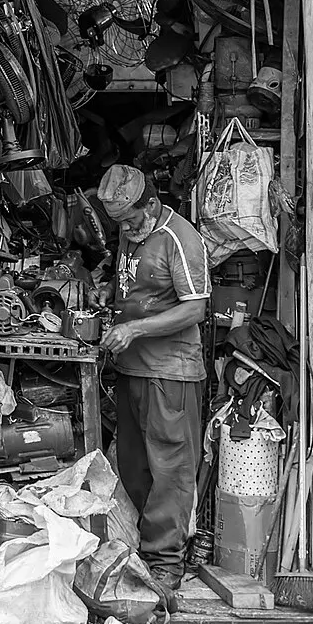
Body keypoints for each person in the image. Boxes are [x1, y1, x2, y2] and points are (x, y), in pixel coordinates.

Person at [95, 164, 211, 591]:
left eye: (131, 220)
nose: (126, 230)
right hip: (133, 368)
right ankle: (150, 550)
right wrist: (110, 293)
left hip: (171, 372)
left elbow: (195, 308)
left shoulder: (180, 238)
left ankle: (166, 564)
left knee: (170, 470)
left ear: (151, 204)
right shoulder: (131, 232)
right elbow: (132, 284)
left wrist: (135, 329)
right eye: (120, 224)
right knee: (133, 465)